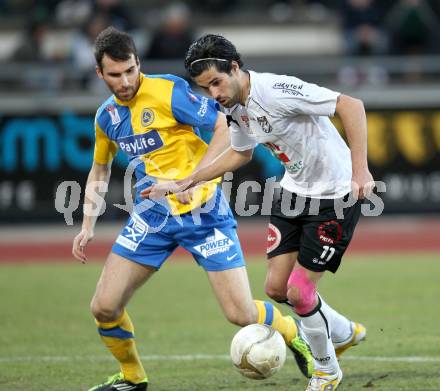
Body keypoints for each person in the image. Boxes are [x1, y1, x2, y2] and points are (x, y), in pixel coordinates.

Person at [72, 27, 313, 391]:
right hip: (153, 217)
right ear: (99, 74)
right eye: (115, 75)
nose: (125, 81)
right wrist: (88, 223)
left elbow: (220, 126)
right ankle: (133, 379)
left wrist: (195, 180)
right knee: (103, 307)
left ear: (138, 63)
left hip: (204, 213)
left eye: (130, 71)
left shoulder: (168, 91)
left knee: (241, 314)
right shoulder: (106, 117)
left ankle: (293, 332)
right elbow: (100, 167)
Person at [143, 34, 375, 391]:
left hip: (335, 195)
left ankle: (327, 370)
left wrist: (361, 170)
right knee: (276, 288)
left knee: (299, 292)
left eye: (217, 82)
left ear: (235, 68)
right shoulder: (234, 108)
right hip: (294, 193)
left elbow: (352, 105)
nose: (214, 94)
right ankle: (342, 332)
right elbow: (240, 153)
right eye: (206, 88)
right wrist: (186, 182)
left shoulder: (277, 90)